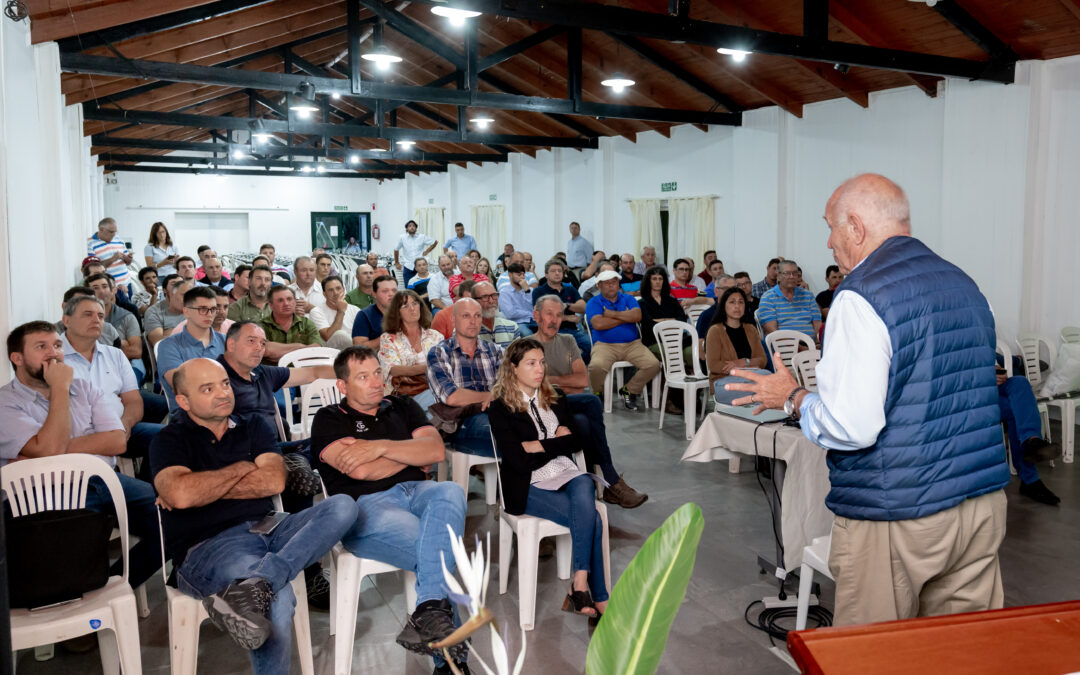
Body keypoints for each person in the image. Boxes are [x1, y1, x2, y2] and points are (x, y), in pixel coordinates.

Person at [727, 173, 1010, 626]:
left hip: (897, 511)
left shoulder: (861, 296)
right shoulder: (964, 283)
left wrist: (794, 397)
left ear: (855, 227)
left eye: (831, 227)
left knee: (873, 655)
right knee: (963, 651)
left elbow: (852, 427)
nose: (828, 242)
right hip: (979, 501)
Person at [150, 357, 357, 669]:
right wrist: (244, 468)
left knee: (344, 505)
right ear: (183, 400)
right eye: (208, 388)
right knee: (276, 603)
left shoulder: (254, 426)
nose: (223, 393)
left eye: (224, 384)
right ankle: (261, 587)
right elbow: (180, 495)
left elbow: (273, 480)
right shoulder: (169, 439)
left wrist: (201, 488)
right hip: (211, 544)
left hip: (271, 527)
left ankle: (260, 580)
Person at [309, 346, 469, 673]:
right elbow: (359, 472)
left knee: (451, 489)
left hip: (419, 491)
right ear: (343, 386)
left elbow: (435, 451)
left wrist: (378, 448)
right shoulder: (328, 418)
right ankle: (451, 662)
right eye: (363, 377)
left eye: (377, 373)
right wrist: (410, 454)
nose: (375, 382)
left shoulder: (403, 404)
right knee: (438, 552)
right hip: (368, 506)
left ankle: (428, 611)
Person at [0, 321, 161, 590]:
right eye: (41, 347)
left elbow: (117, 441)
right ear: (17, 358)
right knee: (66, 554)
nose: (53, 353)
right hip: (43, 494)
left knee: (175, 520)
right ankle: (89, 591)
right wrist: (60, 390)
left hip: (103, 482)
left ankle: (115, 586)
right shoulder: (6, 403)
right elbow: (50, 449)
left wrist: (45, 451)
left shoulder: (85, 388)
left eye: (57, 345)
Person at [488, 339, 610, 619]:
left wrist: (538, 445)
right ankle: (597, 597)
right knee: (592, 517)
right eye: (531, 363)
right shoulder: (500, 408)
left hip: (564, 475)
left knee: (584, 482)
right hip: (526, 485)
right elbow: (519, 461)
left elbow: (579, 441)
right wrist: (555, 443)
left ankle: (579, 584)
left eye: (542, 362)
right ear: (513, 368)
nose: (539, 368)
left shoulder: (554, 396)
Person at [532, 296, 648, 508]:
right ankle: (611, 480)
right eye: (549, 314)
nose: (554, 320)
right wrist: (561, 386)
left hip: (568, 404)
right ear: (536, 316)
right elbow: (532, 389)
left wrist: (551, 383)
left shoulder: (568, 341)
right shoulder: (527, 346)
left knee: (584, 424)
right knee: (592, 402)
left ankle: (589, 487)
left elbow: (582, 380)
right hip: (541, 408)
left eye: (559, 315)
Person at [61, 294, 167, 473]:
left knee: (167, 437)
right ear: (66, 320)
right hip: (77, 438)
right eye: (88, 314)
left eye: (101, 316)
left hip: (119, 429)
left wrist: (126, 422)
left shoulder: (115, 355)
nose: (96, 320)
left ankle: (151, 491)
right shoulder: (55, 358)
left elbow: (133, 400)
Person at [426, 299, 502, 457]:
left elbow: (509, 388)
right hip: (458, 421)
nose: (473, 321)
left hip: (496, 412)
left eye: (477, 316)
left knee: (526, 429)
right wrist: (491, 396)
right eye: (466, 316)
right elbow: (452, 397)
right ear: (453, 320)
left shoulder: (495, 351)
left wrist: (496, 397)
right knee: (506, 431)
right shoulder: (440, 352)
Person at [586, 270, 661, 411]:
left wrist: (610, 314)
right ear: (599, 286)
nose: (611, 286)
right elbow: (598, 324)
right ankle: (598, 393)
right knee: (596, 366)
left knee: (653, 365)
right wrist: (625, 317)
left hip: (633, 344)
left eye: (614, 282)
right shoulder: (593, 302)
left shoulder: (628, 298)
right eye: (607, 283)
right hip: (604, 345)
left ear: (618, 284)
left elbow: (637, 316)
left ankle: (630, 390)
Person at [157, 286, 229, 408]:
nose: (209, 314)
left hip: (229, 408)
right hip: (189, 415)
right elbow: (181, 385)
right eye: (202, 309)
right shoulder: (168, 345)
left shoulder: (227, 341)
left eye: (213, 309)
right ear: (186, 311)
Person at [996, 371, 1062, 504]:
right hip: (969, 390)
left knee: (1019, 381)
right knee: (1017, 408)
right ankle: (1030, 479)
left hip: (991, 385)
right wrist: (984, 374)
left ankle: (1032, 441)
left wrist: (1016, 360)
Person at [378, 290, 444, 411]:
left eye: (415, 303)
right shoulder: (388, 338)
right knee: (440, 398)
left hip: (433, 389)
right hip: (403, 395)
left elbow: (444, 366)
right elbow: (394, 370)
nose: (412, 309)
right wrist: (427, 367)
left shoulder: (435, 336)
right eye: (405, 306)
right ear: (397, 313)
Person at [705, 287, 769, 404]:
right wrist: (746, 368)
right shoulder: (715, 331)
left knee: (766, 379)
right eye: (732, 302)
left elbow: (762, 360)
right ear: (724, 305)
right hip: (723, 383)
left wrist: (743, 362)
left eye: (741, 302)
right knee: (764, 383)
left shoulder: (750, 329)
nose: (737, 306)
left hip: (751, 378)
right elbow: (714, 365)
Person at [532, 259, 590, 361]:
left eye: (560, 271)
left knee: (590, 346)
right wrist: (567, 317)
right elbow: (541, 315)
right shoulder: (539, 291)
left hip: (573, 330)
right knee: (560, 353)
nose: (557, 273)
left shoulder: (570, 289)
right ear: (546, 274)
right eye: (553, 271)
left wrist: (567, 305)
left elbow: (583, 307)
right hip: (552, 331)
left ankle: (573, 367)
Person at [637, 266, 689, 381]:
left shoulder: (672, 300)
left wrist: (661, 321)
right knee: (671, 354)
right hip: (653, 341)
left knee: (692, 353)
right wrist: (671, 320)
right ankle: (672, 392)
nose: (657, 282)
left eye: (660, 279)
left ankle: (692, 389)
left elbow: (682, 321)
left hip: (678, 339)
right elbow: (649, 324)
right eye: (654, 279)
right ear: (648, 281)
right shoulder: (642, 303)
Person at [757, 260, 822, 343]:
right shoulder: (768, 298)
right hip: (783, 348)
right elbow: (772, 332)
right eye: (787, 273)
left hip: (810, 346)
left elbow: (817, 323)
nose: (791, 276)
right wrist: (799, 348)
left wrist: (817, 343)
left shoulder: (808, 295)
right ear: (778, 275)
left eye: (795, 273)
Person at [86, 272, 143, 362]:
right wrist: (120, 344)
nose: (101, 291)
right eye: (95, 288)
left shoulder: (127, 316)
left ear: (112, 291)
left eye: (105, 287)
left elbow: (136, 351)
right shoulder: (82, 320)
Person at [260, 286, 323, 362]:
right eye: (280, 300)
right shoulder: (260, 326)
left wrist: (278, 350)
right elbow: (267, 350)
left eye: (289, 299)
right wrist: (301, 347)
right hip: (272, 372)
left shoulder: (307, 323)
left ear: (295, 302)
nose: (286, 304)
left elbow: (316, 350)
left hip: (303, 371)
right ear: (271, 305)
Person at [309, 275, 359, 350]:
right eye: (330, 290)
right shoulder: (316, 311)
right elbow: (328, 337)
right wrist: (341, 311)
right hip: (330, 353)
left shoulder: (355, 310)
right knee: (340, 335)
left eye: (338, 288)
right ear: (324, 294)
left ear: (344, 290)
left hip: (355, 352)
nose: (335, 293)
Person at [88, 217, 134, 291]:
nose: (114, 235)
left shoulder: (118, 239)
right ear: (101, 229)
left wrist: (128, 259)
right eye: (111, 232)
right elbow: (95, 269)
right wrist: (113, 259)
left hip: (126, 283)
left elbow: (128, 263)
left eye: (115, 232)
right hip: (110, 287)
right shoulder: (91, 243)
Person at [352, 275, 398, 348]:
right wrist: (388, 337)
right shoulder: (364, 315)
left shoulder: (406, 311)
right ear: (374, 294)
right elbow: (359, 347)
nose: (391, 294)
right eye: (385, 291)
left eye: (394, 290)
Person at [145, 277, 191, 347]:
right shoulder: (154, 311)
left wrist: (170, 332)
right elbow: (158, 342)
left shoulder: (196, 308)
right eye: (174, 284)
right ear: (166, 291)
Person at [472, 281, 519, 346]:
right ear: (474, 302)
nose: (491, 301)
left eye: (494, 295)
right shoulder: (466, 330)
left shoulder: (512, 327)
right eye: (485, 297)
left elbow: (518, 355)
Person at [394, 220, 438, 287]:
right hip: (408, 266)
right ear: (406, 228)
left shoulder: (422, 237)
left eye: (413, 226)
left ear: (416, 228)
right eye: (410, 226)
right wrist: (397, 262)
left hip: (421, 266)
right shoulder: (402, 238)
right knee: (409, 287)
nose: (412, 227)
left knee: (423, 286)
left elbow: (435, 242)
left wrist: (427, 251)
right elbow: (396, 249)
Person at [498, 262, 535, 336]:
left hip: (534, 321)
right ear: (510, 275)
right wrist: (529, 314)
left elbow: (534, 307)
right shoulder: (504, 292)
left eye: (523, 274)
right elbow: (511, 314)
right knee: (527, 334)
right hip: (517, 323)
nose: (522, 277)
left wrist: (527, 291)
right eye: (518, 274)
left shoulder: (530, 290)